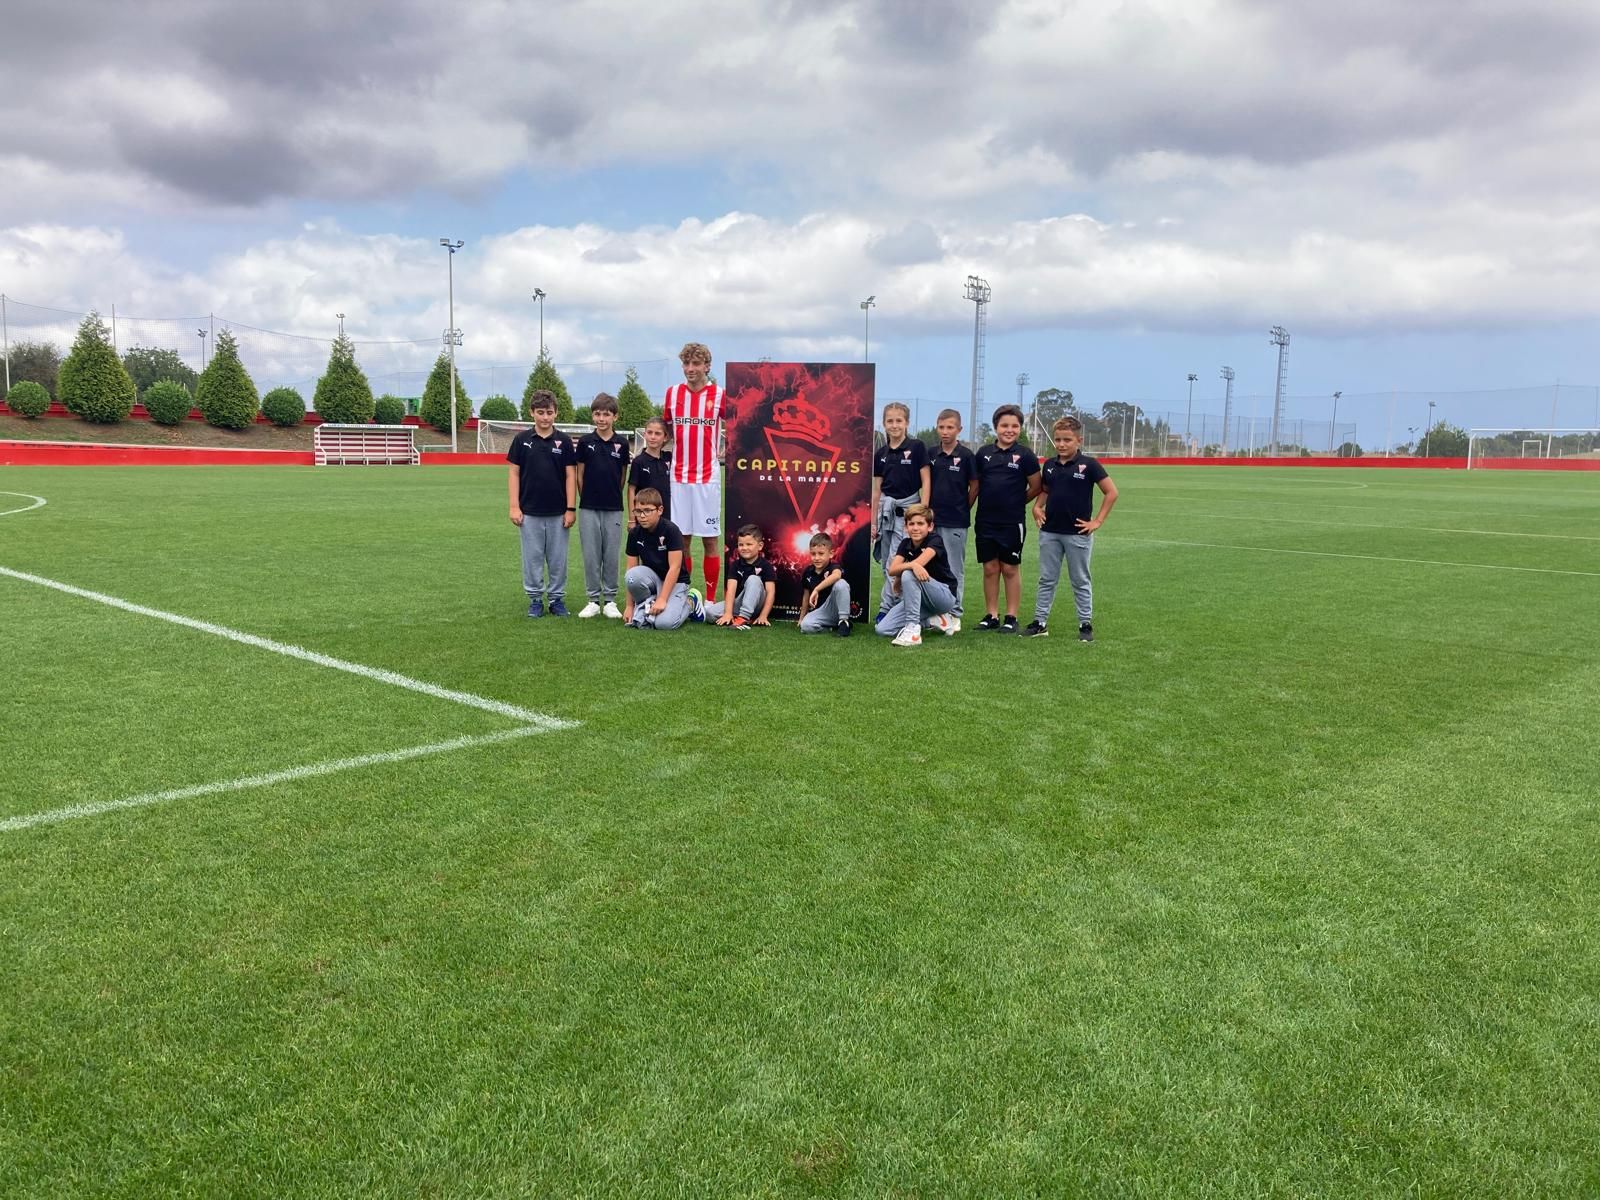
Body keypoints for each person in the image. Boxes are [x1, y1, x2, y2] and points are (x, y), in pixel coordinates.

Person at [1025, 416, 1117, 641]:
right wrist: (1037, 507)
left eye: (1067, 439)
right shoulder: (1049, 465)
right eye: (1058, 439)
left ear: (1079, 440)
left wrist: (1097, 521)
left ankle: (1085, 624)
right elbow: (1046, 490)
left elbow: (1111, 492)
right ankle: (1040, 622)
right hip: (1050, 532)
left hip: (1078, 534)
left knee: (1080, 579)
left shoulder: (1089, 465)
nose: (1062, 444)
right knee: (1047, 578)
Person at [661, 342, 725, 601]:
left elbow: (740, 427)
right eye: (686, 364)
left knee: (709, 540)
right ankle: (683, 594)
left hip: (707, 477)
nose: (690, 369)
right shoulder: (672, 393)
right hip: (678, 477)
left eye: (696, 364)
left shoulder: (720, 395)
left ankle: (710, 600)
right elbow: (665, 430)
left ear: (707, 366)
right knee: (682, 540)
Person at [506, 389, 577, 618]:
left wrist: (570, 508)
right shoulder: (521, 440)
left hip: (558, 513)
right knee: (533, 558)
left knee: (558, 559)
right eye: (540, 412)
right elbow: (514, 474)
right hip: (530, 512)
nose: (545, 417)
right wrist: (514, 506)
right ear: (531, 413)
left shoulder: (564, 441)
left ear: (556, 413)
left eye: (549, 412)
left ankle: (556, 599)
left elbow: (570, 476)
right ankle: (535, 599)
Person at [973, 403, 1041, 633]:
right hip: (985, 521)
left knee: (1010, 568)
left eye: (1014, 425)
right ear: (995, 427)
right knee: (990, 568)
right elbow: (976, 484)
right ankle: (991, 614)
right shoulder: (983, 453)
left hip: (1012, 522)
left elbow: (1036, 486)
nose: (1009, 430)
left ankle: (1011, 616)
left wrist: (1017, 501)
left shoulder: (1025, 455)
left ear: (1020, 428)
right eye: (1004, 425)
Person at [871, 401, 930, 619]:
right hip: (886, 512)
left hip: (909, 512)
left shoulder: (916, 447)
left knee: (897, 562)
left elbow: (926, 481)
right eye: (890, 421)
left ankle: (888, 608)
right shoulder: (881, 453)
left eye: (899, 421)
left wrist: (922, 512)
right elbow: (877, 490)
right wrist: (874, 522)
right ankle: (896, 605)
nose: (894, 425)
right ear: (884, 424)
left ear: (906, 423)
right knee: (886, 560)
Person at [575, 392, 630, 619]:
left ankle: (609, 600)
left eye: (606, 414)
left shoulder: (622, 443)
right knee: (591, 554)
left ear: (614, 417)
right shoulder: (586, 442)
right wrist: (586, 496)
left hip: (613, 507)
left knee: (611, 553)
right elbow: (580, 475)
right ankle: (592, 599)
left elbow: (622, 475)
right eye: (597, 414)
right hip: (588, 506)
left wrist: (612, 495)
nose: (601, 418)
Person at [875, 504, 959, 647]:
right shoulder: (905, 543)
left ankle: (913, 630)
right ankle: (935, 620)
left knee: (909, 573)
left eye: (920, 524)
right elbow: (892, 569)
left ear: (930, 526)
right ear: (906, 527)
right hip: (922, 600)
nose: (915, 528)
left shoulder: (935, 540)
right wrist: (905, 571)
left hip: (944, 596)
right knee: (882, 629)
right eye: (911, 524)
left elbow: (918, 563)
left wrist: (906, 571)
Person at [928, 407, 976, 631]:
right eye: (941, 427)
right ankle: (934, 610)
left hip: (956, 520)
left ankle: (954, 612)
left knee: (954, 568)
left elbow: (975, 485)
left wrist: (964, 506)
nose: (945, 431)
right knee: (929, 566)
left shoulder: (966, 456)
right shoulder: (931, 454)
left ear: (959, 429)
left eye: (950, 427)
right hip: (931, 521)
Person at [622, 489, 693, 630]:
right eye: (638, 511)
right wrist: (629, 606)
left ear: (660, 510)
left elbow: (675, 568)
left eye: (647, 511)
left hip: (676, 582)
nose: (642, 516)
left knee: (664, 624)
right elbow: (631, 568)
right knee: (631, 576)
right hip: (652, 581)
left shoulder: (671, 530)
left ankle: (690, 604)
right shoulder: (634, 533)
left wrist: (662, 599)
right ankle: (645, 605)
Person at [706, 524, 775, 629]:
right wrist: (728, 613)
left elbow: (771, 592)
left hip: (758, 604)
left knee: (753, 579)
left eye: (749, 544)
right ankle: (736, 617)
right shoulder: (735, 565)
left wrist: (763, 616)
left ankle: (743, 617)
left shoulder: (766, 565)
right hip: (739, 603)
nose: (744, 548)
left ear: (760, 546)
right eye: (741, 545)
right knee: (710, 613)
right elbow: (731, 590)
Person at [796, 531, 852, 636]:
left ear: (831, 554)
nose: (816, 558)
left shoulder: (833, 566)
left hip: (835, 608)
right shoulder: (808, 571)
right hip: (821, 612)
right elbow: (806, 595)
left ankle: (844, 621)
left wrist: (817, 589)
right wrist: (801, 618)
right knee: (805, 626)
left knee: (841, 583)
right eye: (813, 554)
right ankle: (831, 628)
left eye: (821, 553)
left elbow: (837, 575)